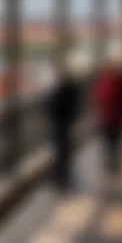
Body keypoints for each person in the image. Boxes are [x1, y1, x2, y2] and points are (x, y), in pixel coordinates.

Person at [45, 62, 82, 193]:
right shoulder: (73, 88)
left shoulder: (60, 89)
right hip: (67, 124)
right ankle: (63, 177)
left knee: (60, 152)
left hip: (60, 124)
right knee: (64, 152)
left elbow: (52, 105)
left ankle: (61, 179)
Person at [93, 59, 122, 177]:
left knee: (114, 143)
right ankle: (112, 164)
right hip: (109, 118)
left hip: (113, 118)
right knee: (111, 143)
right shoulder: (111, 82)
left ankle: (113, 165)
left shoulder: (117, 82)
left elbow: (99, 98)